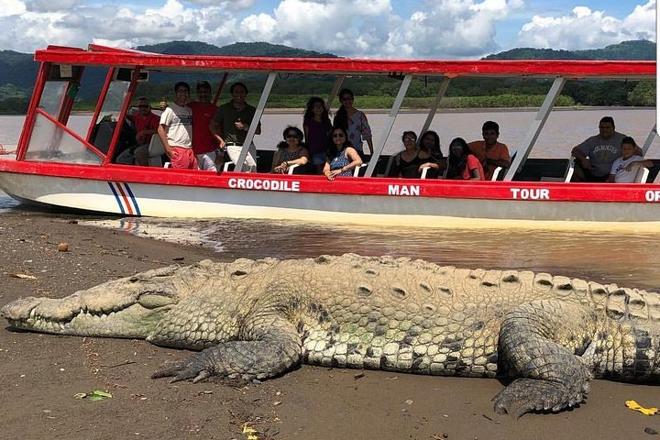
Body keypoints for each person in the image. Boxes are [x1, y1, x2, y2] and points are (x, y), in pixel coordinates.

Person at [571, 116, 641, 182]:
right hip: (593, 172)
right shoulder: (592, 140)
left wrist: (627, 163)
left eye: (608, 127)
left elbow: (639, 152)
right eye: (602, 127)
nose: (604, 130)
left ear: (613, 128)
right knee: (576, 163)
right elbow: (575, 150)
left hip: (613, 175)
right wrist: (583, 159)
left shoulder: (622, 139)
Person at [210, 82, 261, 170]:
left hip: (249, 145)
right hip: (232, 145)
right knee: (242, 167)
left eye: (241, 92)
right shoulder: (224, 108)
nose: (239, 94)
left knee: (252, 169)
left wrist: (246, 127)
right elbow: (212, 125)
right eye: (236, 92)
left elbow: (258, 131)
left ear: (246, 94)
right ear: (232, 94)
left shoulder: (251, 110)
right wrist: (220, 140)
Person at [157, 81, 196, 169]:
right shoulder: (170, 110)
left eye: (185, 91)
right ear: (176, 93)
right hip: (177, 148)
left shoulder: (189, 110)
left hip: (189, 148)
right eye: (180, 91)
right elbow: (160, 129)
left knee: (193, 175)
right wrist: (168, 148)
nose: (183, 93)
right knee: (182, 178)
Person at [188, 81, 220, 171]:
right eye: (201, 92)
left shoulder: (216, 110)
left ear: (210, 93)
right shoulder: (190, 107)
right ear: (197, 93)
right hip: (193, 151)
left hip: (211, 152)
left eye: (205, 92)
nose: (203, 94)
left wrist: (220, 153)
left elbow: (220, 132)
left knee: (212, 180)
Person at [333, 88, 373, 156]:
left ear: (353, 99)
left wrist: (372, 152)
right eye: (345, 99)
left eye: (349, 98)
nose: (347, 101)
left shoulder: (360, 116)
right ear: (341, 101)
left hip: (357, 150)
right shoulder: (338, 115)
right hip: (341, 151)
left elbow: (367, 135)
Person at [123, 97, 159, 166]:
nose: (143, 108)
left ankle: (145, 172)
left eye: (145, 106)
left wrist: (143, 132)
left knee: (138, 152)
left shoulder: (155, 118)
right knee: (121, 159)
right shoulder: (137, 117)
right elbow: (126, 116)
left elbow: (159, 131)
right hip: (140, 144)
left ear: (149, 107)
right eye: (140, 106)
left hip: (151, 145)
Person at [303, 96, 332, 174]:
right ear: (312, 109)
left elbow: (330, 135)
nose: (318, 108)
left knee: (328, 170)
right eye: (316, 106)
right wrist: (308, 151)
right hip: (315, 150)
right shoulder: (308, 121)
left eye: (320, 106)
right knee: (319, 171)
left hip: (327, 150)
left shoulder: (326, 121)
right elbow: (307, 137)